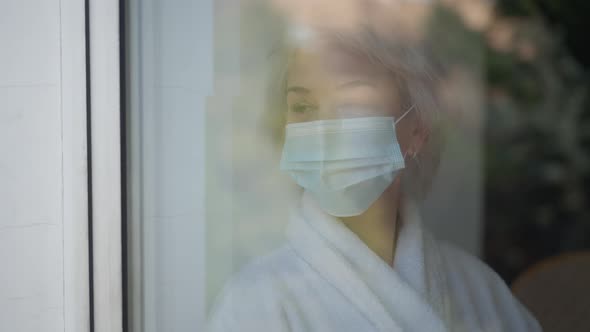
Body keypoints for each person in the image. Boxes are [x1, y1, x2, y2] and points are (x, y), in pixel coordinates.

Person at [207, 12, 542, 332]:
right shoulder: (256, 304)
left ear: (416, 128)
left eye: (353, 104)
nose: (324, 130)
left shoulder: (480, 292)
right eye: (303, 107)